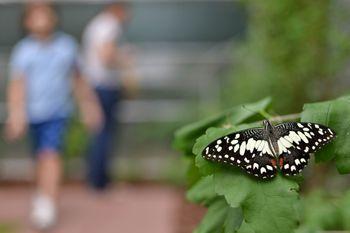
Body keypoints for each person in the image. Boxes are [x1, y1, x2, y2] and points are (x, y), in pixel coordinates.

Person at [5, 3, 102, 230]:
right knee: (40, 159)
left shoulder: (66, 46)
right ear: (26, 22)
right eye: (34, 15)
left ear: (54, 18)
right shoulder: (23, 50)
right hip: (33, 114)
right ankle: (42, 193)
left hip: (58, 112)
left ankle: (48, 203)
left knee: (51, 155)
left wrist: (89, 107)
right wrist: (16, 114)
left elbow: (78, 80)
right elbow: (17, 85)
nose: (40, 19)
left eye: (44, 14)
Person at [82, 2, 136, 190]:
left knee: (98, 133)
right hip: (105, 85)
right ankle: (101, 182)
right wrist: (125, 59)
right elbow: (106, 56)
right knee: (104, 134)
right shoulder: (110, 25)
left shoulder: (96, 24)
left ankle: (96, 179)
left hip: (95, 84)